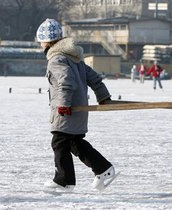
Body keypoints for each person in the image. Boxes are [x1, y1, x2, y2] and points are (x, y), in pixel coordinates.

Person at [36, 18, 117, 192]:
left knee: (59, 142)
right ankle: (103, 169)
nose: (40, 45)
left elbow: (66, 82)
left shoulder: (56, 59)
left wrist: (63, 105)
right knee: (74, 142)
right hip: (77, 110)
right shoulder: (74, 58)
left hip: (67, 110)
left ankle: (64, 181)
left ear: (46, 41)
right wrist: (103, 96)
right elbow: (94, 79)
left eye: (41, 42)